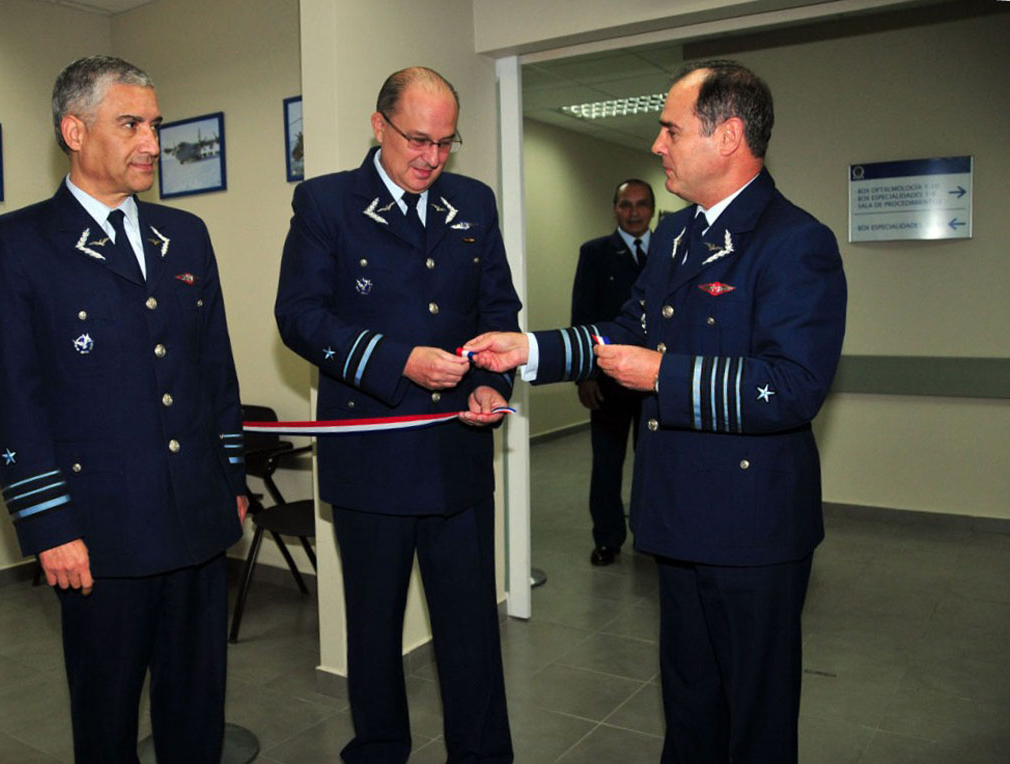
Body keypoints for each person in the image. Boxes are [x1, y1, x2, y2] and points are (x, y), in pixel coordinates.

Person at [463, 60, 846, 764]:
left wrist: (666, 374)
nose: (658, 144)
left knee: (755, 720)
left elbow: (792, 387)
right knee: (691, 702)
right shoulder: (675, 238)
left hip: (754, 526)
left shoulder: (796, 242)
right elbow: (623, 330)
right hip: (679, 515)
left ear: (727, 136)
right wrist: (529, 349)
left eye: (671, 129)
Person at [0, 55, 248, 763]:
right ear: (74, 129)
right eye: (130, 124)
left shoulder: (183, 236)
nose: (151, 141)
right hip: (99, 538)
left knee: (196, 717)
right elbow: (12, 401)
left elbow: (214, 370)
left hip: (196, 522)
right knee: (107, 722)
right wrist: (48, 524)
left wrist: (233, 482)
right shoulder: (18, 245)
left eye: (155, 124)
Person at [274, 66, 520, 763]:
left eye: (446, 142)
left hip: (458, 458)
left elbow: (497, 310)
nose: (431, 158)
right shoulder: (326, 204)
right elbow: (298, 317)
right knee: (374, 631)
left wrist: (484, 380)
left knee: (471, 630)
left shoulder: (473, 203)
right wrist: (395, 361)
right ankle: (380, 750)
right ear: (378, 125)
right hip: (371, 459)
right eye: (417, 139)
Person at [571, 179, 654, 565]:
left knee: (655, 463)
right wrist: (584, 375)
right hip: (608, 380)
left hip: (658, 379)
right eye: (625, 205)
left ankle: (653, 535)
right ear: (615, 209)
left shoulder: (671, 252)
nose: (633, 212)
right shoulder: (595, 254)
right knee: (607, 463)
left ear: (652, 210)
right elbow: (582, 317)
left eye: (640, 205)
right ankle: (607, 538)